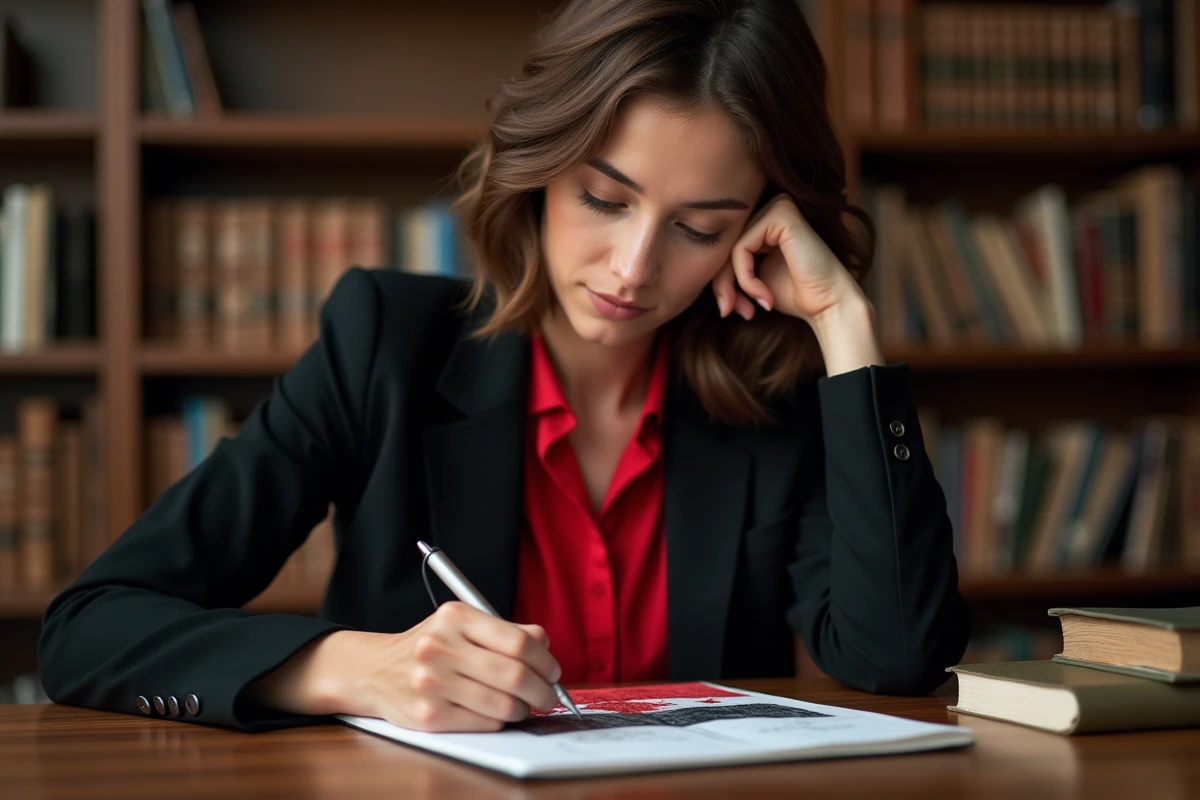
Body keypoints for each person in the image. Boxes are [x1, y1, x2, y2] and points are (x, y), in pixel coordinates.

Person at [38, 0, 968, 733]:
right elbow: (90, 629)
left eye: (699, 227)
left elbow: (896, 660)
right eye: (605, 197)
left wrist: (844, 324)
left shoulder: (779, 397)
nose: (634, 268)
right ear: (540, 164)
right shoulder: (386, 347)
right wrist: (359, 670)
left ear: (758, 230)